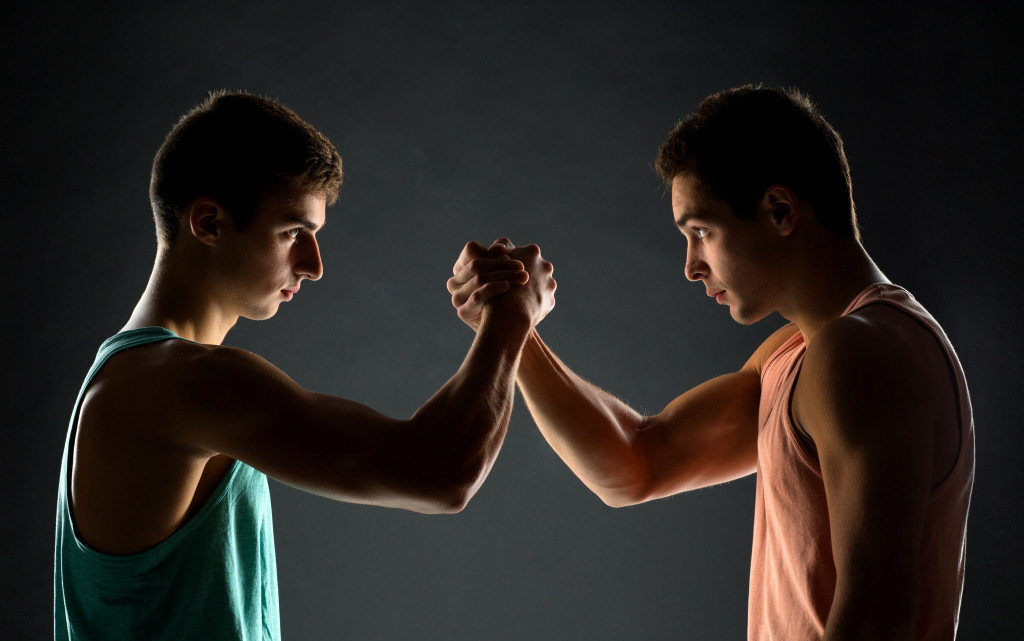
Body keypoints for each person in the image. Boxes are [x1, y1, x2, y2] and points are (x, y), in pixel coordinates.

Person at [448, 85, 974, 640]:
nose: (691, 267)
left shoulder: (862, 353)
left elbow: (877, 620)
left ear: (779, 211)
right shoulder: (802, 353)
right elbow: (636, 463)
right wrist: (512, 328)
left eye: (701, 231)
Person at [54, 90, 557, 640]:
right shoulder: (182, 383)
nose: (314, 266)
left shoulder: (146, 378)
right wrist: (512, 313)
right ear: (209, 222)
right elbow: (440, 473)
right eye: (294, 233)